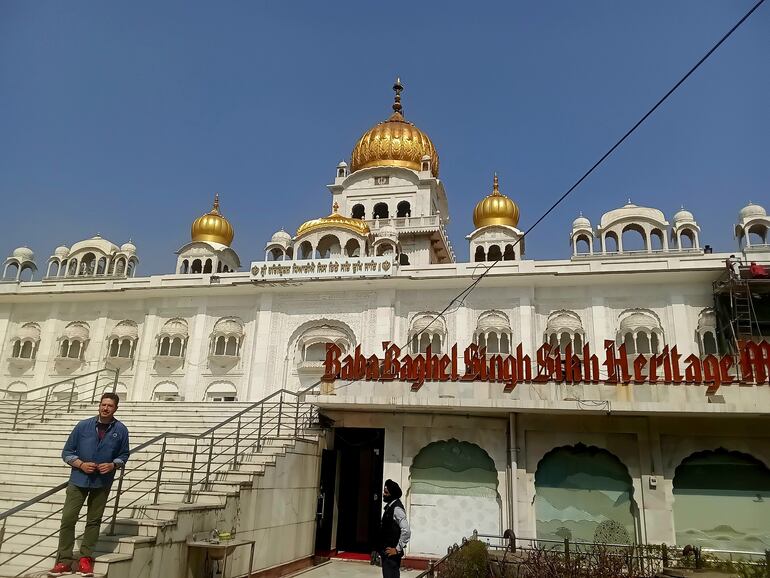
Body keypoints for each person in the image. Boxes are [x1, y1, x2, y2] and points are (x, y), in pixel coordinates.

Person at [49, 393, 130, 577]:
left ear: (115, 408)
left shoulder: (121, 430)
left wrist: (112, 464)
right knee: (68, 519)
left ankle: (86, 558)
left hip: (102, 482)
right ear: (99, 406)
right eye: (103, 404)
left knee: (93, 521)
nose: (105, 408)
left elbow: (124, 455)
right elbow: (67, 453)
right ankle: (64, 560)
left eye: (110, 405)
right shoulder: (83, 426)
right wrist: (81, 464)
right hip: (78, 480)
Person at [379, 479, 410, 578]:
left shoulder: (397, 509)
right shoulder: (390, 506)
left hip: (392, 555)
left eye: (386, 492)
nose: (384, 494)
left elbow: (406, 531)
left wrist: (397, 549)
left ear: (392, 494)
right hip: (386, 553)